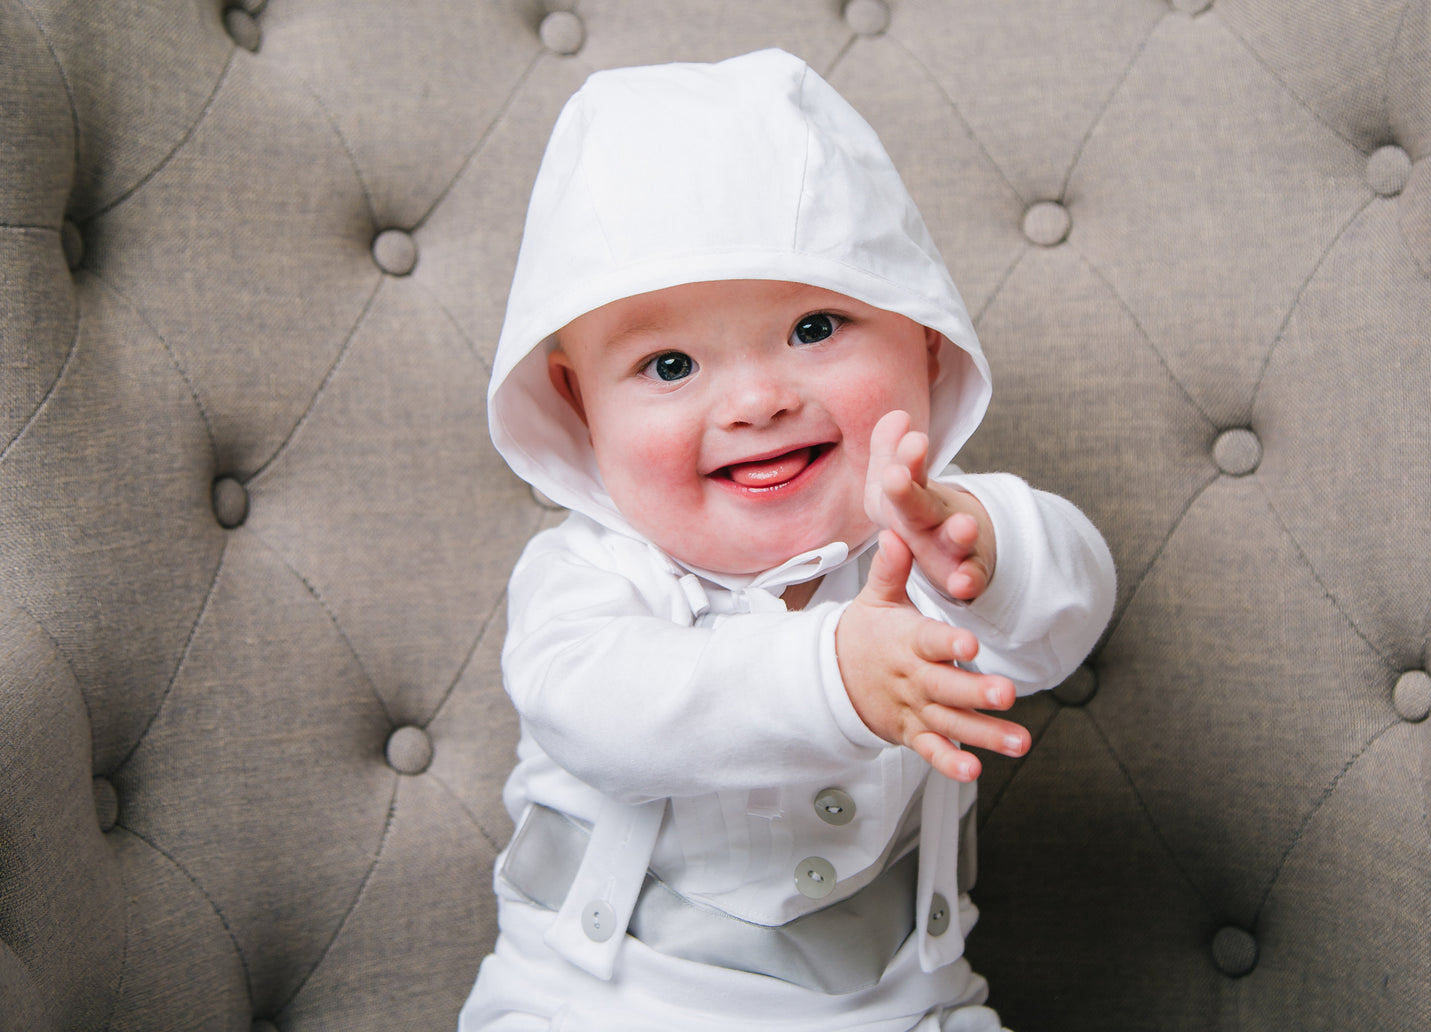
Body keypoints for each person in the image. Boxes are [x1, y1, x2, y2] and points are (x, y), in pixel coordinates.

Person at [459, 49, 1115, 1032]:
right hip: (601, 1001)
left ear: (924, 340)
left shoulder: (922, 531)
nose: (757, 400)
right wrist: (831, 675)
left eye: (814, 328)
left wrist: (988, 554)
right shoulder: (588, 571)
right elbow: (601, 710)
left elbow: (1059, 624)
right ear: (579, 403)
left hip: (901, 1002)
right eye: (668, 364)